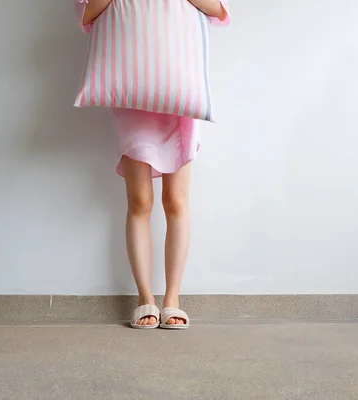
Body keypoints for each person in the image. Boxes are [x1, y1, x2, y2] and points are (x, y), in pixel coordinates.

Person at [74, 0, 230, 329]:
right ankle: (145, 297)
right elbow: (87, 13)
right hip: (133, 94)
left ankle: (172, 298)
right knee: (140, 199)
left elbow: (217, 9)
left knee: (176, 200)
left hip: (178, 93)